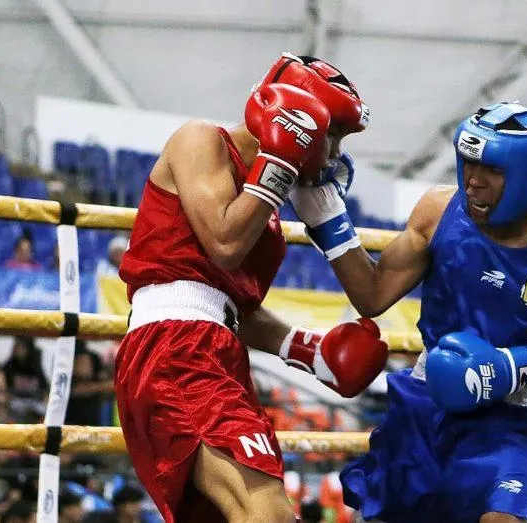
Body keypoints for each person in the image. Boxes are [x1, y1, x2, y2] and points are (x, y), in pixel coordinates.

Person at [289, 102, 527, 522]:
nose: (473, 180)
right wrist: (327, 216)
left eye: (491, 169)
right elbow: (373, 295)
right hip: (426, 401)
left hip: (508, 416)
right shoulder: (438, 210)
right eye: (468, 162)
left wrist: (510, 366)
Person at [114, 52, 387, 523]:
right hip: (175, 351)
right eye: (334, 134)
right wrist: (279, 163)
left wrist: (311, 353)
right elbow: (224, 244)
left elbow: (229, 305)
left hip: (216, 351)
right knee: (267, 512)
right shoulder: (200, 141)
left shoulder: (264, 202)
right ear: (297, 116)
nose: (334, 155)